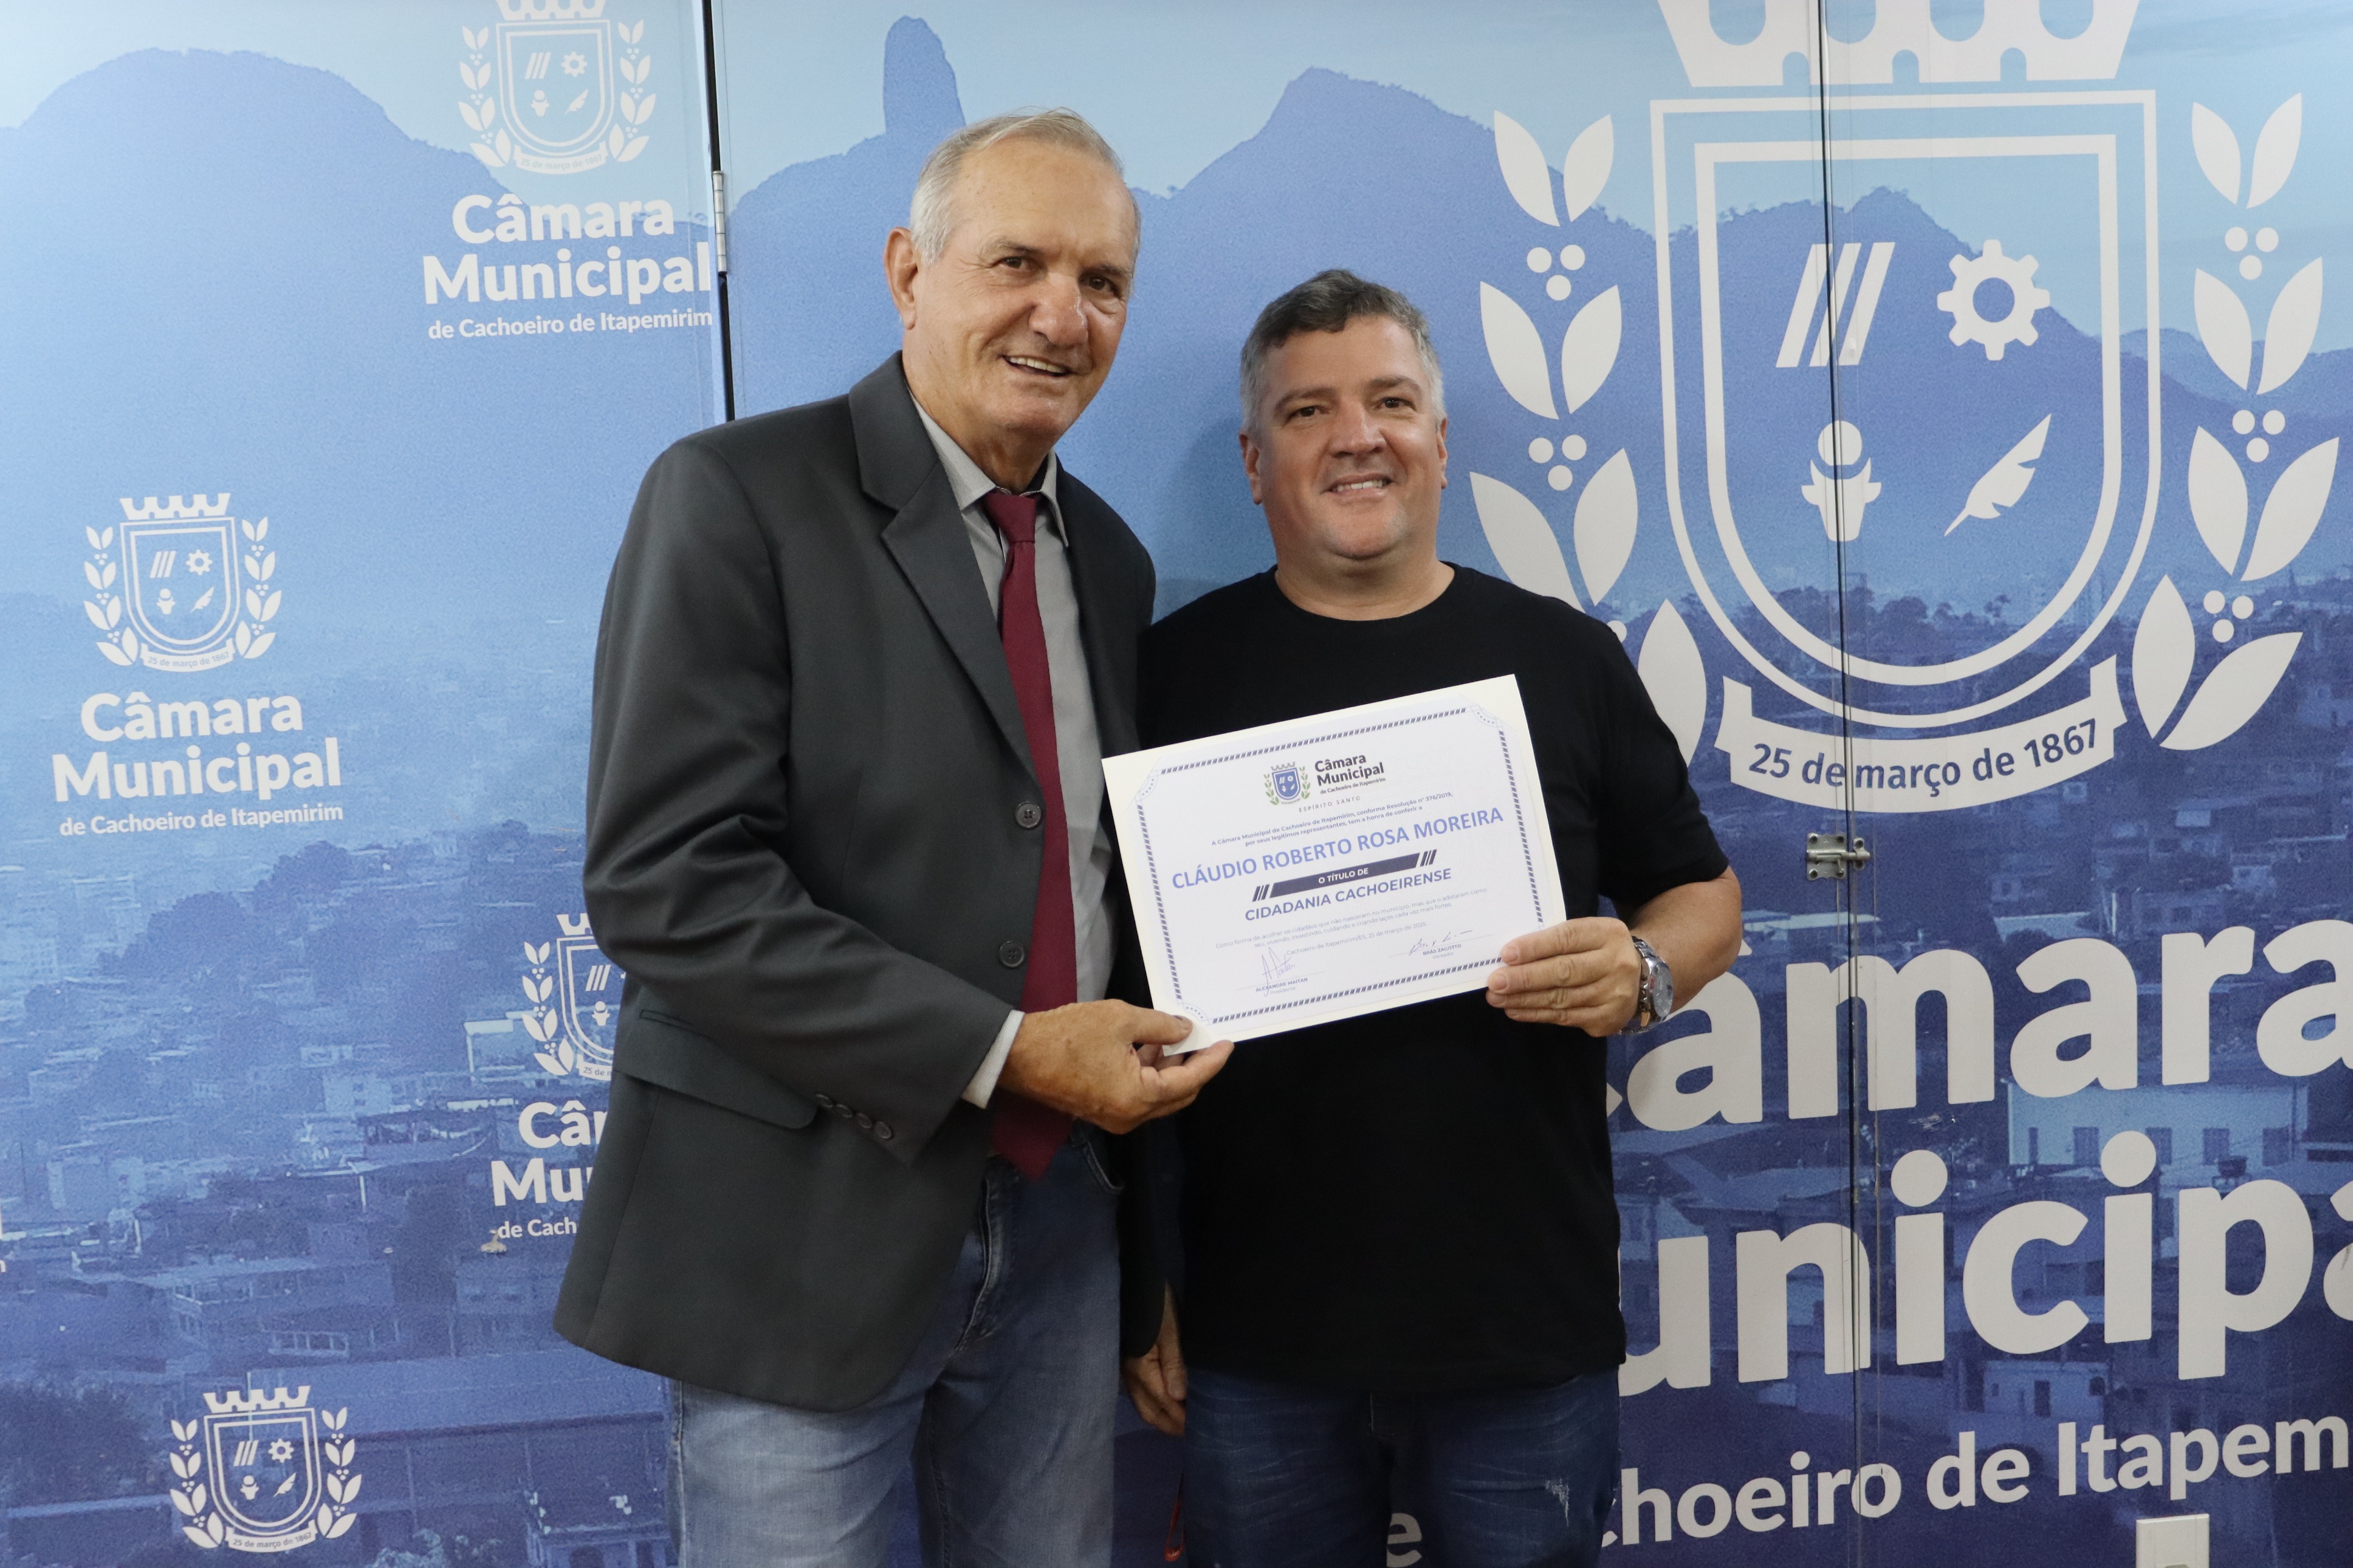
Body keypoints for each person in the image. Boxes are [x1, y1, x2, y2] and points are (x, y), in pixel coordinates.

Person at [556, 109, 1230, 1568]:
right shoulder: (737, 496)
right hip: (796, 1235)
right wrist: (1005, 1051)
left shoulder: (1108, 560)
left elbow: (1103, 902)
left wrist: (1146, 1249)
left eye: (1102, 281)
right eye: (1018, 263)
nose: (1063, 315)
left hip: (1061, 1232)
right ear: (908, 273)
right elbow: (667, 884)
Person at [1124, 270, 1742, 1567]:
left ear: (1441, 441)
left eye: (1392, 402)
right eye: (1308, 411)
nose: (1358, 436)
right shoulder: (1163, 678)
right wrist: (1144, 1282)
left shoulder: (1565, 656)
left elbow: (1704, 897)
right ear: (1254, 461)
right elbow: (1112, 995)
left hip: (1518, 1317)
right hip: (1256, 1330)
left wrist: (1642, 968)